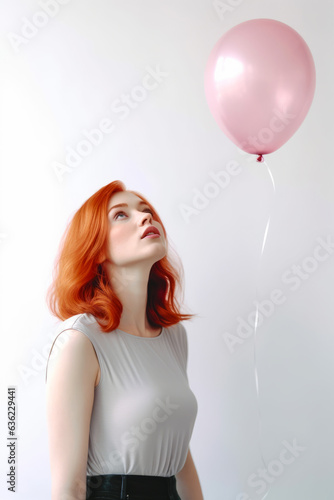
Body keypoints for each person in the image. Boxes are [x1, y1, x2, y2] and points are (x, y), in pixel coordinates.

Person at [45, 180, 204, 500]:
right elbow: (68, 486)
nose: (146, 218)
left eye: (147, 211)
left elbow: (177, 449)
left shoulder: (174, 336)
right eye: (121, 215)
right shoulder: (79, 340)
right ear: (97, 248)